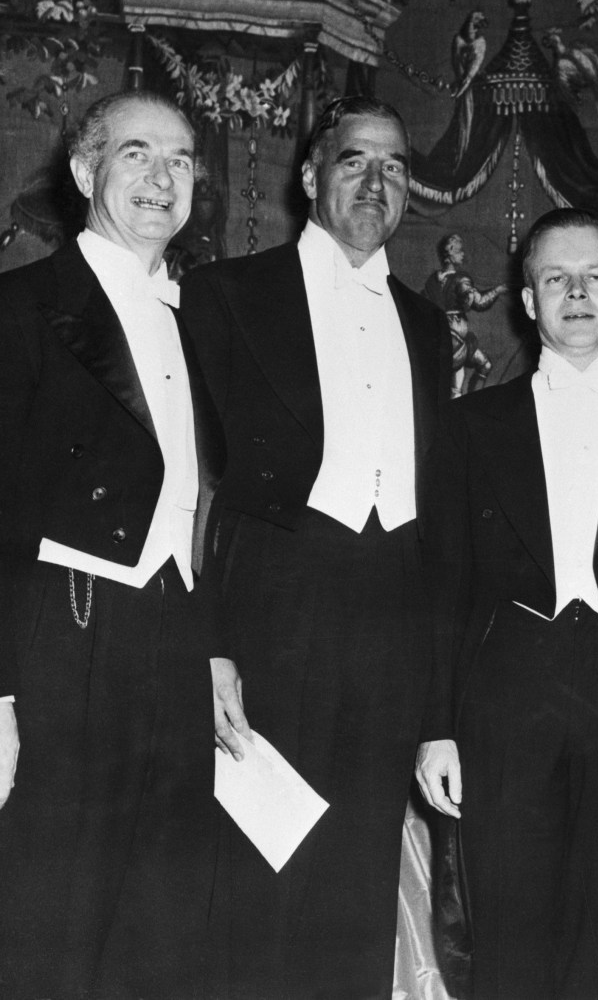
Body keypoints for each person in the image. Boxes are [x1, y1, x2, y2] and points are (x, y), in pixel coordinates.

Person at [181, 95, 452, 999]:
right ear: (309, 176)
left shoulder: (426, 324)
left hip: (391, 629)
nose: (376, 183)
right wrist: (209, 642)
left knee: (356, 889)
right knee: (255, 877)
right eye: (353, 161)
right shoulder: (227, 294)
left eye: (394, 166)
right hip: (271, 615)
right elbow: (192, 481)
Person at [416, 208, 598, 1000]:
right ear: (527, 300)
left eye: (594, 277)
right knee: (506, 944)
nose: (577, 294)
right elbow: (441, 585)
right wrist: (434, 727)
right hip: (506, 699)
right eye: (556, 279)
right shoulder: (469, 426)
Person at [0, 90, 225, 999]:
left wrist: (212, 647)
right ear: (86, 171)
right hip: (67, 632)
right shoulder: (21, 307)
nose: (162, 177)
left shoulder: (196, 318)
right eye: (137, 153)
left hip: (172, 637)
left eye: (180, 160)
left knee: (158, 934)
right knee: (53, 926)